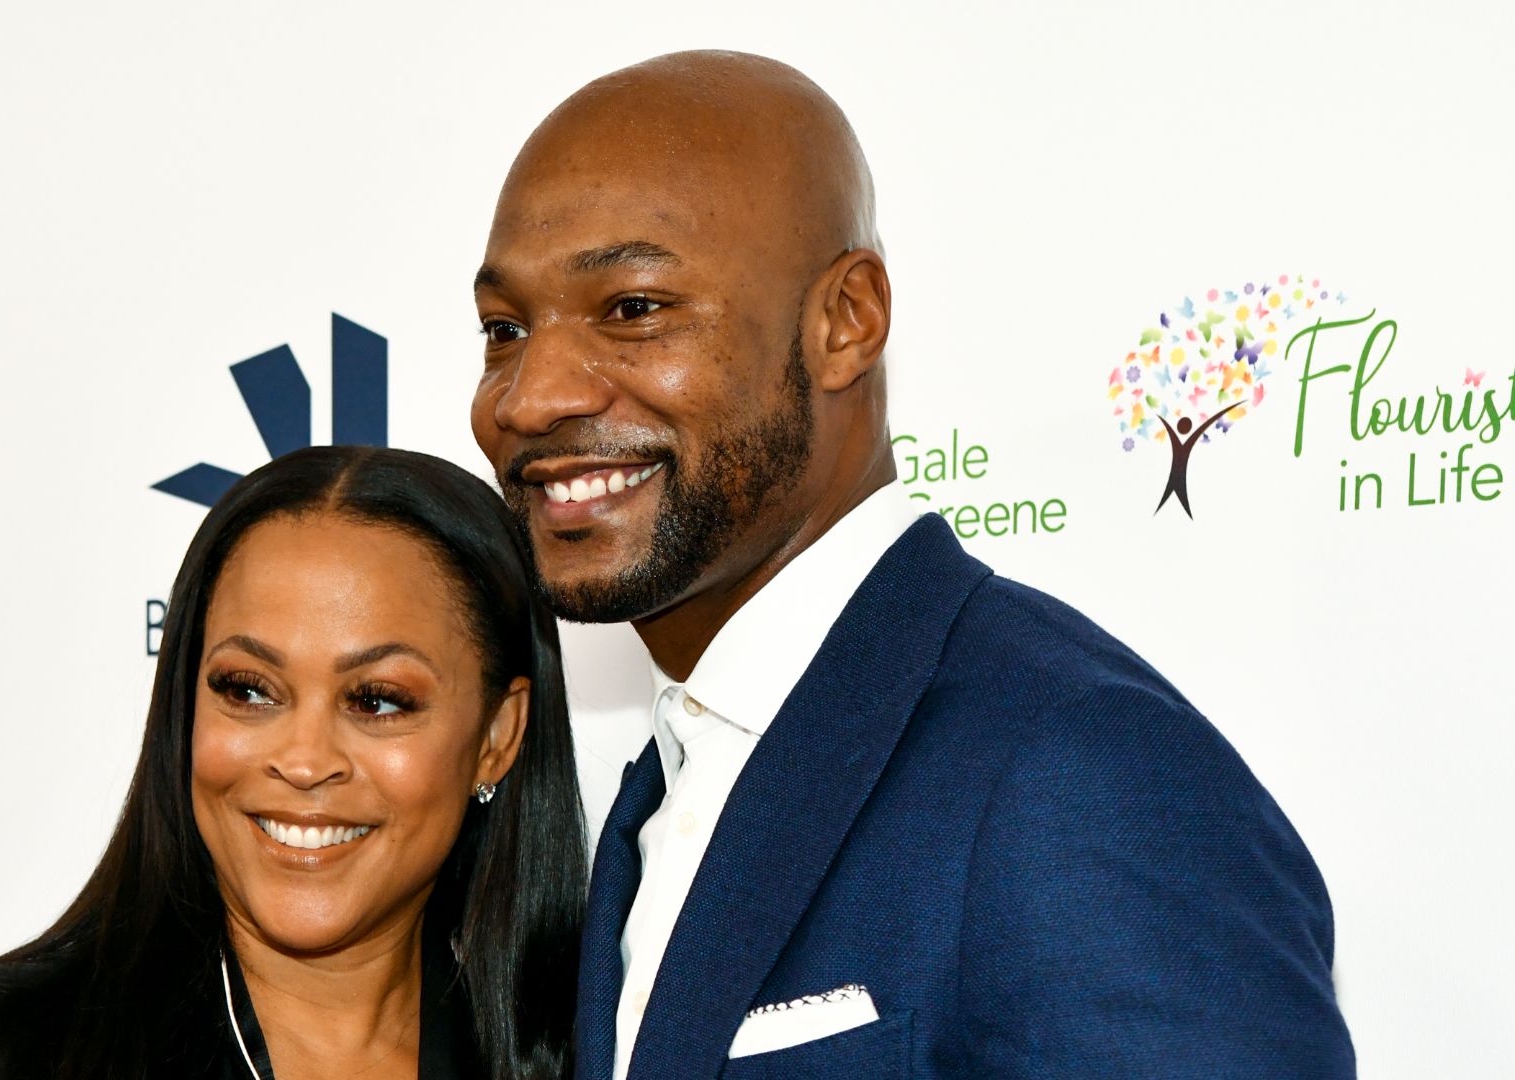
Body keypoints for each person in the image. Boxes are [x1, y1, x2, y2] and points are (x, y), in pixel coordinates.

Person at [470, 51, 1356, 1079]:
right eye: (504, 328)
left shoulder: (1072, 768)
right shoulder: (664, 783)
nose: (528, 399)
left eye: (633, 309)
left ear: (846, 321)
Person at [0, 446, 587, 1080]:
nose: (303, 760)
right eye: (249, 689)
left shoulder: (586, 1055)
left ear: (496, 734)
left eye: (379, 700)